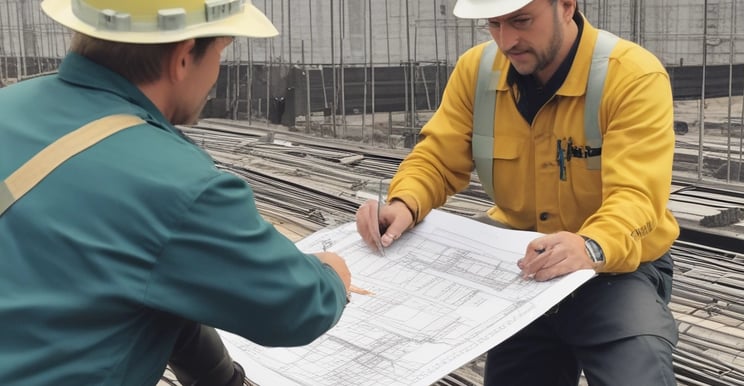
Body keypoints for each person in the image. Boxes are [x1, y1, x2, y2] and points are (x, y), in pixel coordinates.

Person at [0, 1, 352, 385]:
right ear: (183, 58)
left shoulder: (9, 106)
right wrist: (332, 275)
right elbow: (297, 308)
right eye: (220, 51)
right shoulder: (180, 185)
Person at [356, 0, 679, 385]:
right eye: (494, 24)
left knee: (636, 369)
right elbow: (438, 159)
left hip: (614, 266)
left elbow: (637, 196)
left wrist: (590, 246)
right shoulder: (477, 72)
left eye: (521, 21)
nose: (507, 40)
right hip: (522, 266)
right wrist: (404, 202)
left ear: (565, 5)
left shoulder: (630, 76)